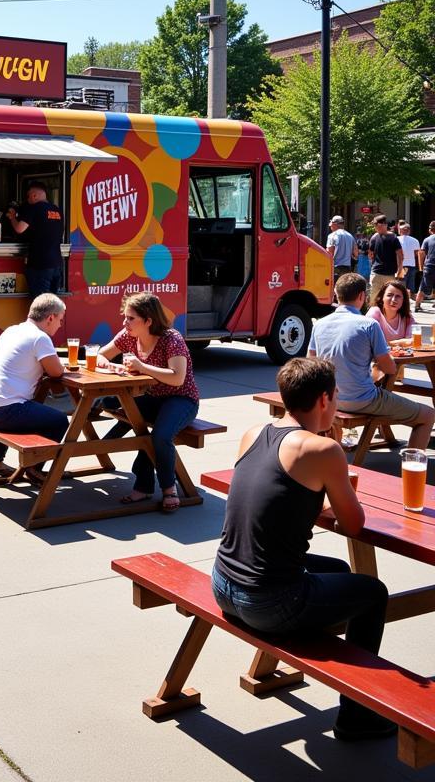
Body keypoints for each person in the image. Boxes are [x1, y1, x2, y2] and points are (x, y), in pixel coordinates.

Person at [212, 357, 393, 742]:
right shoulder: (322, 451)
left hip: (224, 585)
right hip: (266, 602)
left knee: (340, 572)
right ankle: (356, 715)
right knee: (374, 593)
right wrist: (339, 477)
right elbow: (355, 524)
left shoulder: (254, 432)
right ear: (325, 399)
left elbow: (277, 505)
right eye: (337, 393)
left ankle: (325, 646)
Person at [96, 292, 200, 512]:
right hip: (151, 397)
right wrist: (111, 366)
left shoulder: (172, 339)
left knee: (160, 436)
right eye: (125, 317)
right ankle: (141, 484)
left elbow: (177, 377)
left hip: (180, 399)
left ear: (149, 320)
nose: (125, 323)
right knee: (109, 402)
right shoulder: (128, 335)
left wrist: (142, 367)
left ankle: (168, 489)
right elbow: (100, 355)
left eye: (131, 318)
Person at [309, 273, 435, 448]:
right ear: (362, 296)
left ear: (336, 295)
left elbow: (311, 365)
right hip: (362, 399)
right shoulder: (369, 325)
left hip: (330, 398)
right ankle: (410, 471)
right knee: (428, 415)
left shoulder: (319, 324)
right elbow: (390, 369)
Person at [0, 293, 68, 480]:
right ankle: (34, 468)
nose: (60, 324)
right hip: (4, 411)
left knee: (21, 403)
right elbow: (57, 372)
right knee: (59, 421)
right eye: (60, 319)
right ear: (50, 318)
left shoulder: (12, 330)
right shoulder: (40, 338)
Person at [6, 184, 64, 297]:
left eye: (28, 197)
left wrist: (12, 217)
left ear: (34, 195)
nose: (27, 200)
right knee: (53, 302)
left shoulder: (35, 208)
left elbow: (19, 229)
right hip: (57, 264)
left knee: (41, 304)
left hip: (40, 265)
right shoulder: (57, 210)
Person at [366, 215, 402, 305]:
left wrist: (400, 269)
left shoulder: (390, 238)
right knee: (380, 297)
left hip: (383, 273)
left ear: (383, 224)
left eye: (376, 225)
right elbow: (400, 255)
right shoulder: (392, 237)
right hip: (382, 273)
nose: (375, 228)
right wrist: (399, 268)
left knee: (379, 297)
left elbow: (370, 254)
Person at [366, 279, 414, 344]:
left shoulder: (407, 317)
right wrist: (399, 342)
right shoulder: (375, 313)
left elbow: (411, 341)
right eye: (389, 295)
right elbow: (371, 343)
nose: (394, 300)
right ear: (382, 297)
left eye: (398, 296)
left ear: (403, 300)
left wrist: (389, 343)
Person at [325, 215, 357, 282]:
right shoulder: (350, 236)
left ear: (335, 224)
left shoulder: (332, 236)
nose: (330, 227)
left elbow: (329, 252)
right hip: (347, 267)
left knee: (334, 289)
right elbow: (356, 253)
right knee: (343, 288)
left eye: (331, 225)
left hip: (335, 267)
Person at [397, 221, 421, 299]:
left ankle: (405, 304)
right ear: (409, 231)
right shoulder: (415, 240)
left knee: (401, 286)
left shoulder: (397, 239)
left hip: (401, 266)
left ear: (400, 230)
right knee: (411, 287)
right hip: (412, 265)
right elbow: (417, 253)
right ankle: (415, 304)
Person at [415, 222, 435, 313]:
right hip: (430, 266)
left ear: (430, 230)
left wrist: (421, 267)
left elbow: (421, 253)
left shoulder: (427, 240)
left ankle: (417, 305)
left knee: (423, 287)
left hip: (429, 266)